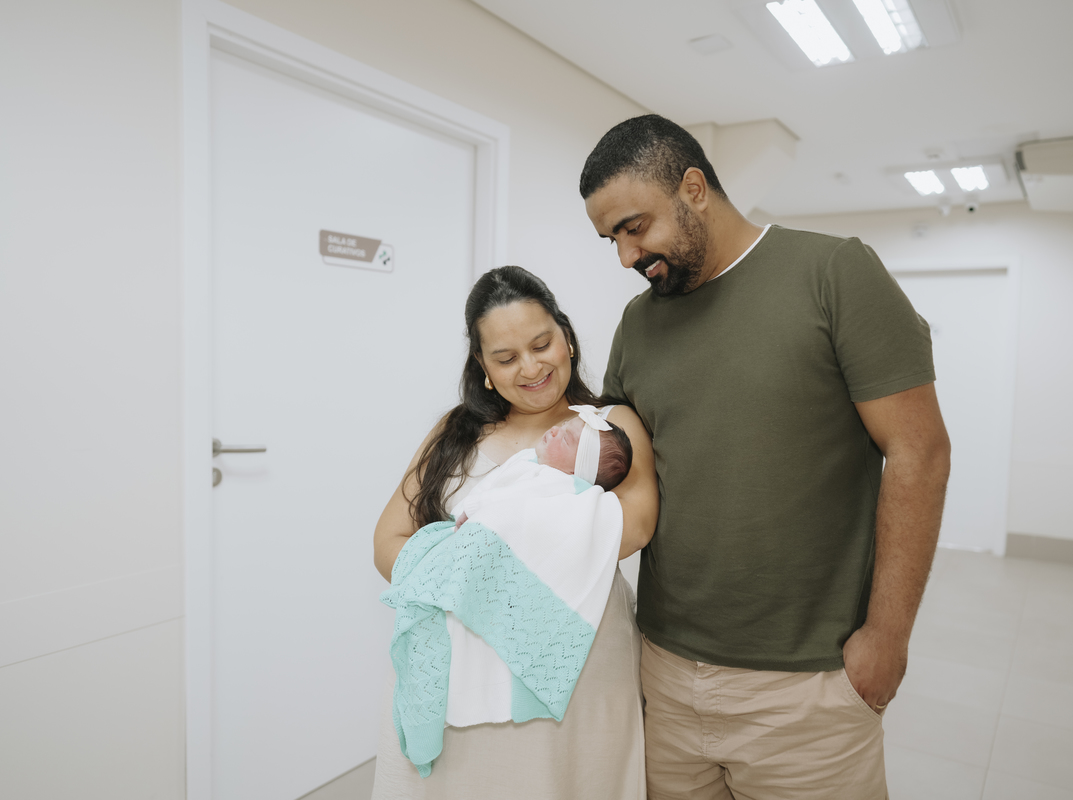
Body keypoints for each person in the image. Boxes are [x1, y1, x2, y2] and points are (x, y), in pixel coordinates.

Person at [580, 114, 952, 799]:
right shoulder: (639, 322)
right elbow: (614, 456)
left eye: (635, 227)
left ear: (694, 189)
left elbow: (919, 452)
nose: (626, 256)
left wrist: (887, 637)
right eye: (612, 239)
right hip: (663, 670)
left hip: (807, 686)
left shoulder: (833, 272)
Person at [371, 265, 657, 800]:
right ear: (482, 367)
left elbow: (634, 525)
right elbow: (388, 543)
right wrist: (471, 566)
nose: (530, 367)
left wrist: (487, 560)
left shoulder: (605, 426)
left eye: (541, 344)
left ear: (567, 338)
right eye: (505, 358)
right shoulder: (456, 432)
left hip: (576, 669)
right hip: (461, 665)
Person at [454, 407, 634, 531]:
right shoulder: (530, 457)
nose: (555, 429)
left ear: (576, 472)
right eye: (564, 425)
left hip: (479, 521)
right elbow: (495, 481)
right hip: (465, 518)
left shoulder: (559, 482)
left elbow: (514, 495)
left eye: (566, 438)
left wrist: (474, 507)